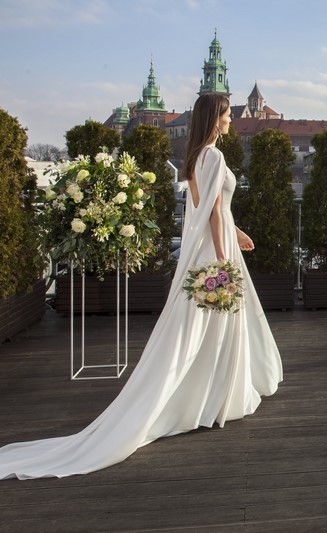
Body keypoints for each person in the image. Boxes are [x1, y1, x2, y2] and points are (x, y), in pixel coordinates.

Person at [0, 93, 282, 479]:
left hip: (209, 247)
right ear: (214, 118)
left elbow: (211, 209)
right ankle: (213, 397)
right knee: (211, 323)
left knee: (198, 326)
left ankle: (208, 394)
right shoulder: (213, 156)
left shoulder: (197, 156)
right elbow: (213, 212)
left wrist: (238, 232)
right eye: (226, 114)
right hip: (215, 252)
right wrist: (223, 260)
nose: (231, 119)